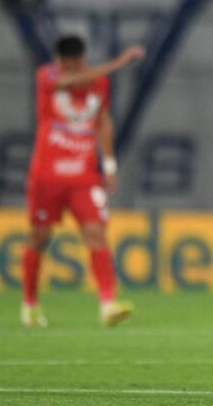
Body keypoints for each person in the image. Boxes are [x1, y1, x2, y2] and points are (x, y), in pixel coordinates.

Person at [20, 35, 145, 328]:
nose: (70, 69)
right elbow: (65, 84)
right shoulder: (47, 76)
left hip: (83, 175)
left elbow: (103, 120)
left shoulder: (98, 83)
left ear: (80, 59)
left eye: (74, 64)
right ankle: (30, 304)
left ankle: (108, 304)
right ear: (59, 60)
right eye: (66, 64)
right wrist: (119, 63)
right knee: (39, 238)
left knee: (96, 232)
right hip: (47, 175)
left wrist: (110, 164)